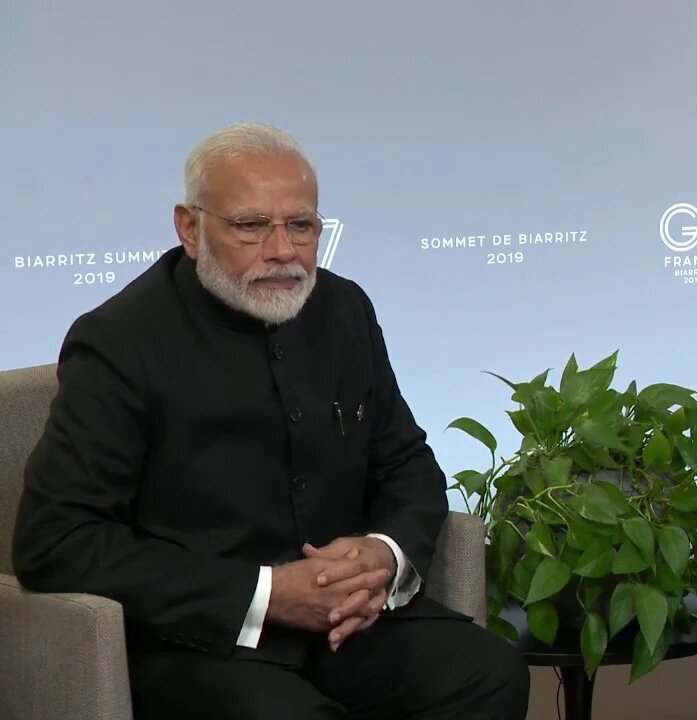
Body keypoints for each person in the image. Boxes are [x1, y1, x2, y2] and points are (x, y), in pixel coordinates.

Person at [12, 123, 529, 719]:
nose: (283, 250)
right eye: (251, 226)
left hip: (345, 624)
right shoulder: (120, 343)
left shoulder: (344, 310)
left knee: (489, 676)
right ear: (189, 227)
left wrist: (383, 556)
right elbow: (54, 541)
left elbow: (406, 462)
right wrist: (267, 595)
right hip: (199, 639)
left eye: (301, 226)